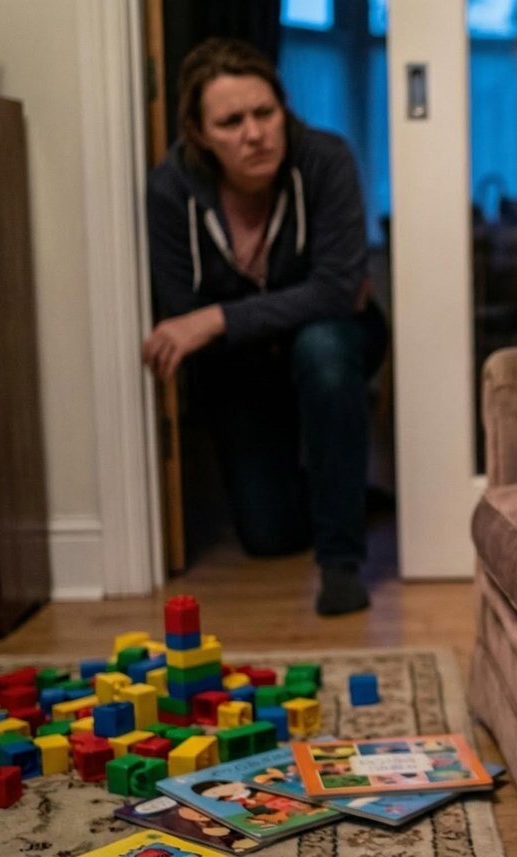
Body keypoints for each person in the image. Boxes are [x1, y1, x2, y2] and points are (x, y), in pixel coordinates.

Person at [144, 38, 386, 616]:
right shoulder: (171, 189)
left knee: (323, 349)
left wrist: (217, 318)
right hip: (241, 368)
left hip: (336, 340)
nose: (254, 133)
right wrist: (219, 321)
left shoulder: (326, 159)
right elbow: (181, 308)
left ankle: (340, 561)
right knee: (267, 534)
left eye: (265, 113)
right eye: (231, 122)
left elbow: (335, 290)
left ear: (284, 109)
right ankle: (348, 486)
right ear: (200, 135)